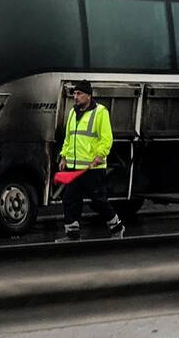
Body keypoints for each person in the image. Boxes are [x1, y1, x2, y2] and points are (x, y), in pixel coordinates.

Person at [57, 79, 124, 240]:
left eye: (79, 93)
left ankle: (117, 227)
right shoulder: (73, 112)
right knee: (69, 199)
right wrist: (63, 156)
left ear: (89, 95)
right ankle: (72, 234)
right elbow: (68, 137)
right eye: (74, 93)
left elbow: (106, 138)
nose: (75, 97)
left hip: (93, 167)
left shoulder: (100, 112)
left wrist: (100, 155)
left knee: (98, 201)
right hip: (74, 166)